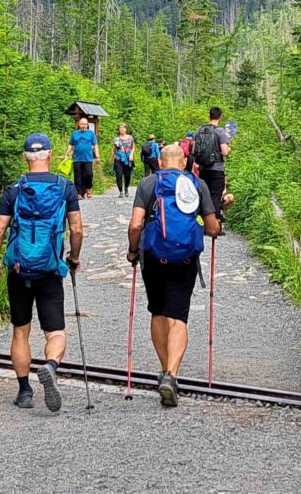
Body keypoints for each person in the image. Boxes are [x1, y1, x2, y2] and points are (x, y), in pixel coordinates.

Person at [0, 133, 84, 412]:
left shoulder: (14, 190)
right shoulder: (64, 187)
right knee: (55, 332)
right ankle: (51, 366)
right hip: (50, 269)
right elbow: (77, 229)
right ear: (50, 156)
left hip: (19, 270)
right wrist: (73, 258)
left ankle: (25, 391)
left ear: (24, 157)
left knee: (20, 330)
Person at [127, 144, 221, 407]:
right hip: (185, 258)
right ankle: (172, 374)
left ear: (159, 161)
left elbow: (136, 225)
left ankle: (164, 369)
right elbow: (212, 228)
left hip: (154, 256)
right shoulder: (196, 184)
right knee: (178, 316)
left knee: (158, 312)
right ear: (184, 162)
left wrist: (132, 252)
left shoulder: (148, 184)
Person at [193, 107, 234, 217]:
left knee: (205, 195)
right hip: (217, 168)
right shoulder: (220, 131)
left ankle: (203, 223)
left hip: (203, 168)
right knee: (215, 195)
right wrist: (229, 150)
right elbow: (225, 152)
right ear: (220, 117)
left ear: (209, 116)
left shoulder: (200, 130)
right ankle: (215, 225)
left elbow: (194, 150)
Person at [65, 116, 100, 199]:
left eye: (85, 124)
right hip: (77, 158)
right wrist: (66, 154)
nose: (83, 126)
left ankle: (88, 188)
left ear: (87, 125)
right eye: (82, 124)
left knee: (88, 174)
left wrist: (97, 156)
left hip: (88, 158)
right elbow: (71, 145)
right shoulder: (75, 133)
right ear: (79, 124)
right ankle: (79, 193)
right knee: (78, 176)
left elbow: (95, 145)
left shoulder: (91, 134)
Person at [112, 122, 136, 198]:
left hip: (128, 158)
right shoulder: (116, 139)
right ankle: (121, 191)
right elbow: (113, 149)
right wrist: (111, 158)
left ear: (126, 129)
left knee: (128, 175)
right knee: (118, 175)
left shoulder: (130, 137)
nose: (122, 129)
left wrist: (132, 154)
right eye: (120, 128)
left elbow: (133, 147)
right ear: (118, 130)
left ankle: (126, 188)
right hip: (118, 159)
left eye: (123, 127)